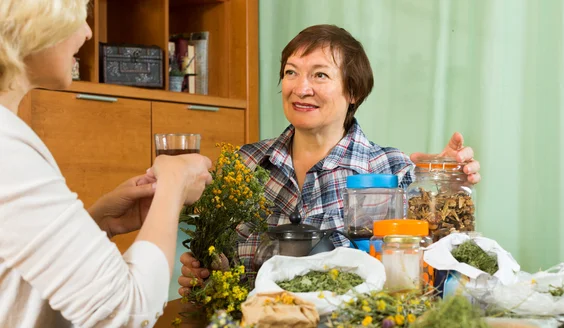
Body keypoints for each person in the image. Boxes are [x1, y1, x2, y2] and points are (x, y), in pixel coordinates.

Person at [178, 24, 481, 296]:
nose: (301, 88)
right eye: (291, 72)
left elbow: (433, 273)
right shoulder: (245, 164)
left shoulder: (392, 171)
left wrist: (443, 182)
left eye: (319, 75)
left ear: (353, 91)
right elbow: (209, 263)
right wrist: (202, 275)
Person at [0, 0, 213, 328]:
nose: (86, 33)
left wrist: (97, 223)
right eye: (77, 18)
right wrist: (173, 185)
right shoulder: (7, 146)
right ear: (34, 23)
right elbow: (128, 313)